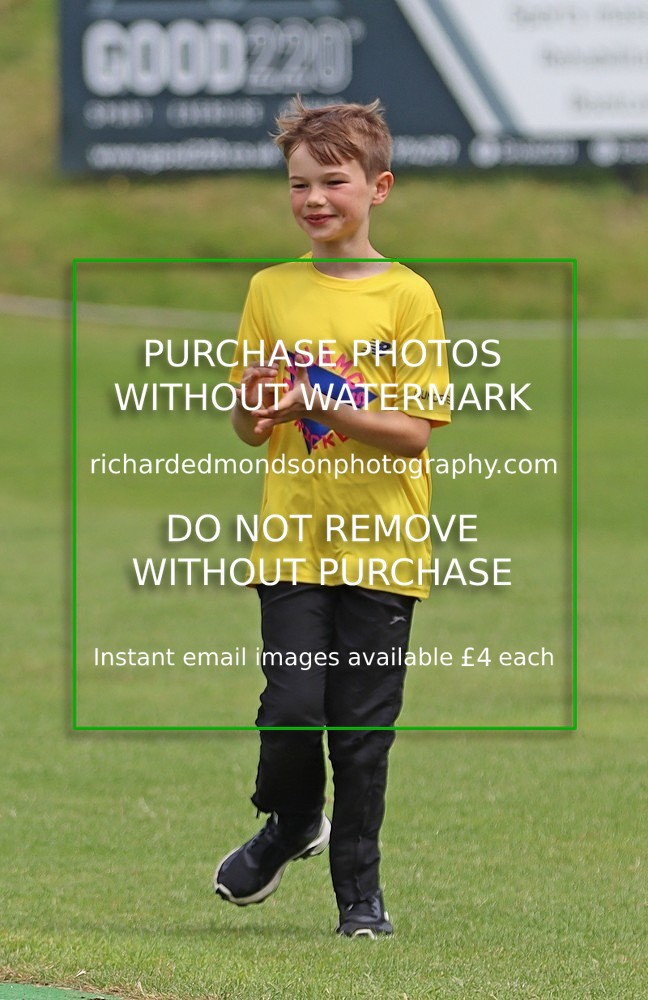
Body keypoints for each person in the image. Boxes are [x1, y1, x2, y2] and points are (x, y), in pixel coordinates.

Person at [214, 97, 451, 938]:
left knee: (359, 735)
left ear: (378, 186)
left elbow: (413, 433)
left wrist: (325, 399)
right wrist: (257, 408)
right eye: (298, 183)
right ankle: (288, 823)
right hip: (292, 544)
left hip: (384, 550)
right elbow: (251, 427)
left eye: (333, 181)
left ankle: (361, 901)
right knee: (290, 710)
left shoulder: (409, 297)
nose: (313, 198)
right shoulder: (269, 291)